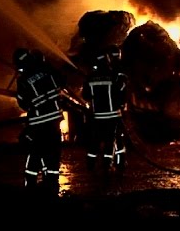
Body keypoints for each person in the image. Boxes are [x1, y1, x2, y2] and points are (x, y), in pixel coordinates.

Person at [14, 47, 68, 194]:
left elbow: (23, 103)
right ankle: (52, 187)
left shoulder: (23, 81)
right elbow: (62, 82)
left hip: (38, 124)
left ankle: (30, 188)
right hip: (55, 121)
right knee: (53, 155)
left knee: (35, 154)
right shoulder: (48, 70)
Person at [81, 46, 129, 176]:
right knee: (110, 141)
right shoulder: (113, 75)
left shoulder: (90, 77)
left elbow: (85, 95)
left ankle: (90, 165)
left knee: (95, 141)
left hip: (97, 116)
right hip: (112, 115)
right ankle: (107, 165)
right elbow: (120, 90)